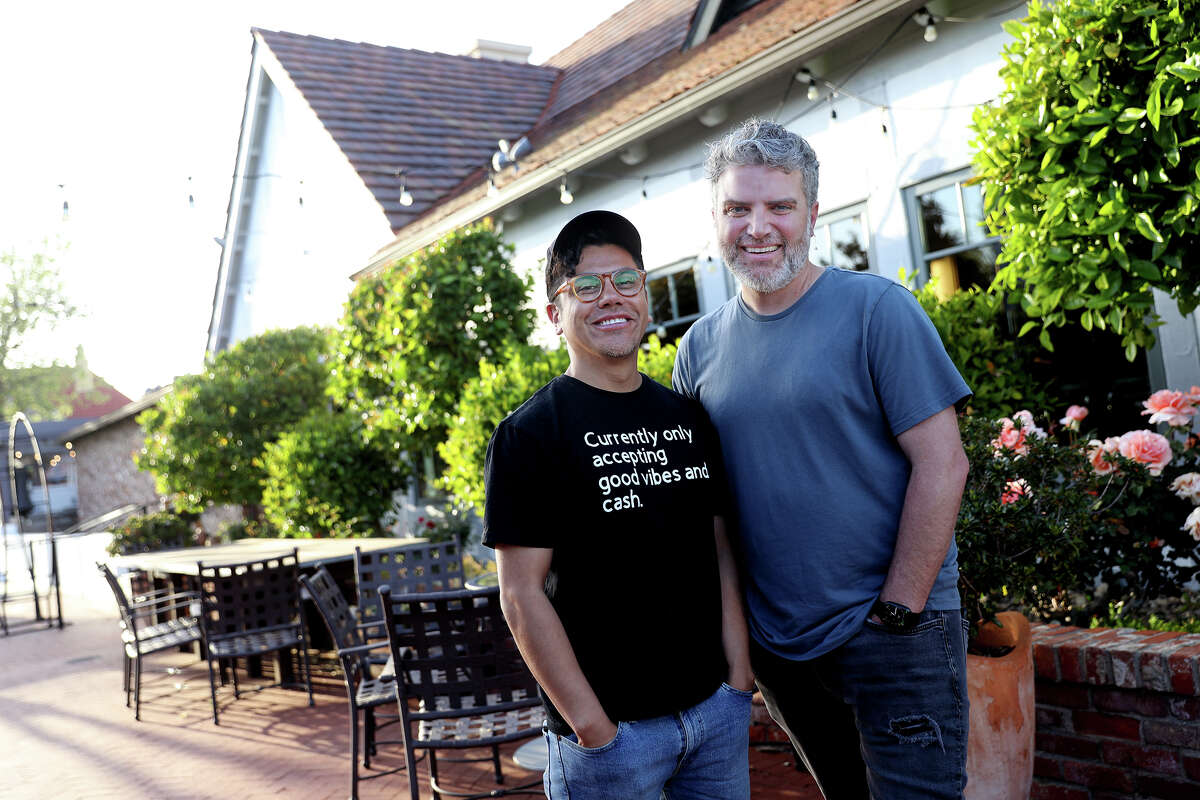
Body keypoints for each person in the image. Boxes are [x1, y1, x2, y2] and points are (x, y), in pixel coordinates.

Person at [673, 118, 972, 799]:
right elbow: (708, 506)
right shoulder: (699, 347)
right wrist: (739, 639)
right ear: (715, 219)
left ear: (811, 213)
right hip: (780, 646)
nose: (758, 227)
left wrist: (899, 611)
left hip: (897, 632)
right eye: (737, 208)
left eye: (779, 206)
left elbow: (944, 465)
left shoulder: (879, 310)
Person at [483, 210, 754, 800]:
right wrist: (594, 729)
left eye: (626, 280)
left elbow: (718, 547)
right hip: (611, 744)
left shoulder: (686, 417)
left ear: (646, 299)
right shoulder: (530, 435)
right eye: (586, 285)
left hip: (714, 717)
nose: (611, 297)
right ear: (556, 314)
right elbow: (520, 594)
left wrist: (738, 679)